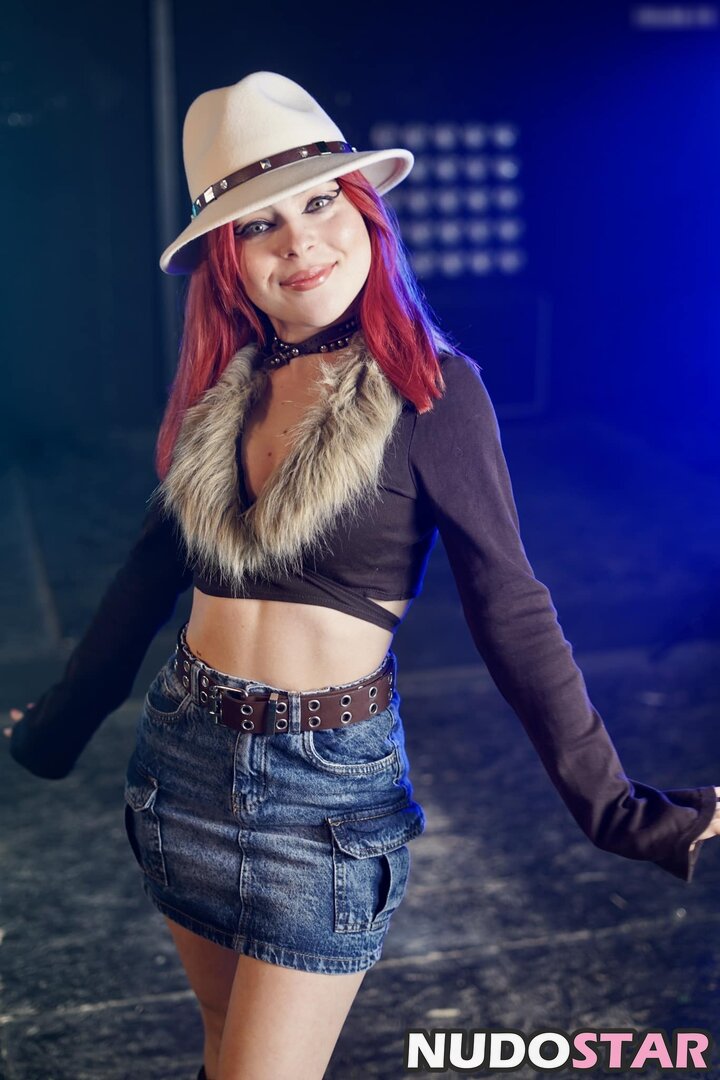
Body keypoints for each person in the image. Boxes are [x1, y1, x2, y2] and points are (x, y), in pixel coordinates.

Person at [4, 71, 720, 1080]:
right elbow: (145, 578)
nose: (299, 244)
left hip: (324, 798)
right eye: (260, 225)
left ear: (365, 214)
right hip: (180, 762)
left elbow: (511, 606)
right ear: (229, 261)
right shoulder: (225, 389)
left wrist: (617, 809)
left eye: (318, 203)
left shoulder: (431, 390)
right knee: (219, 1044)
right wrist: (55, 732)